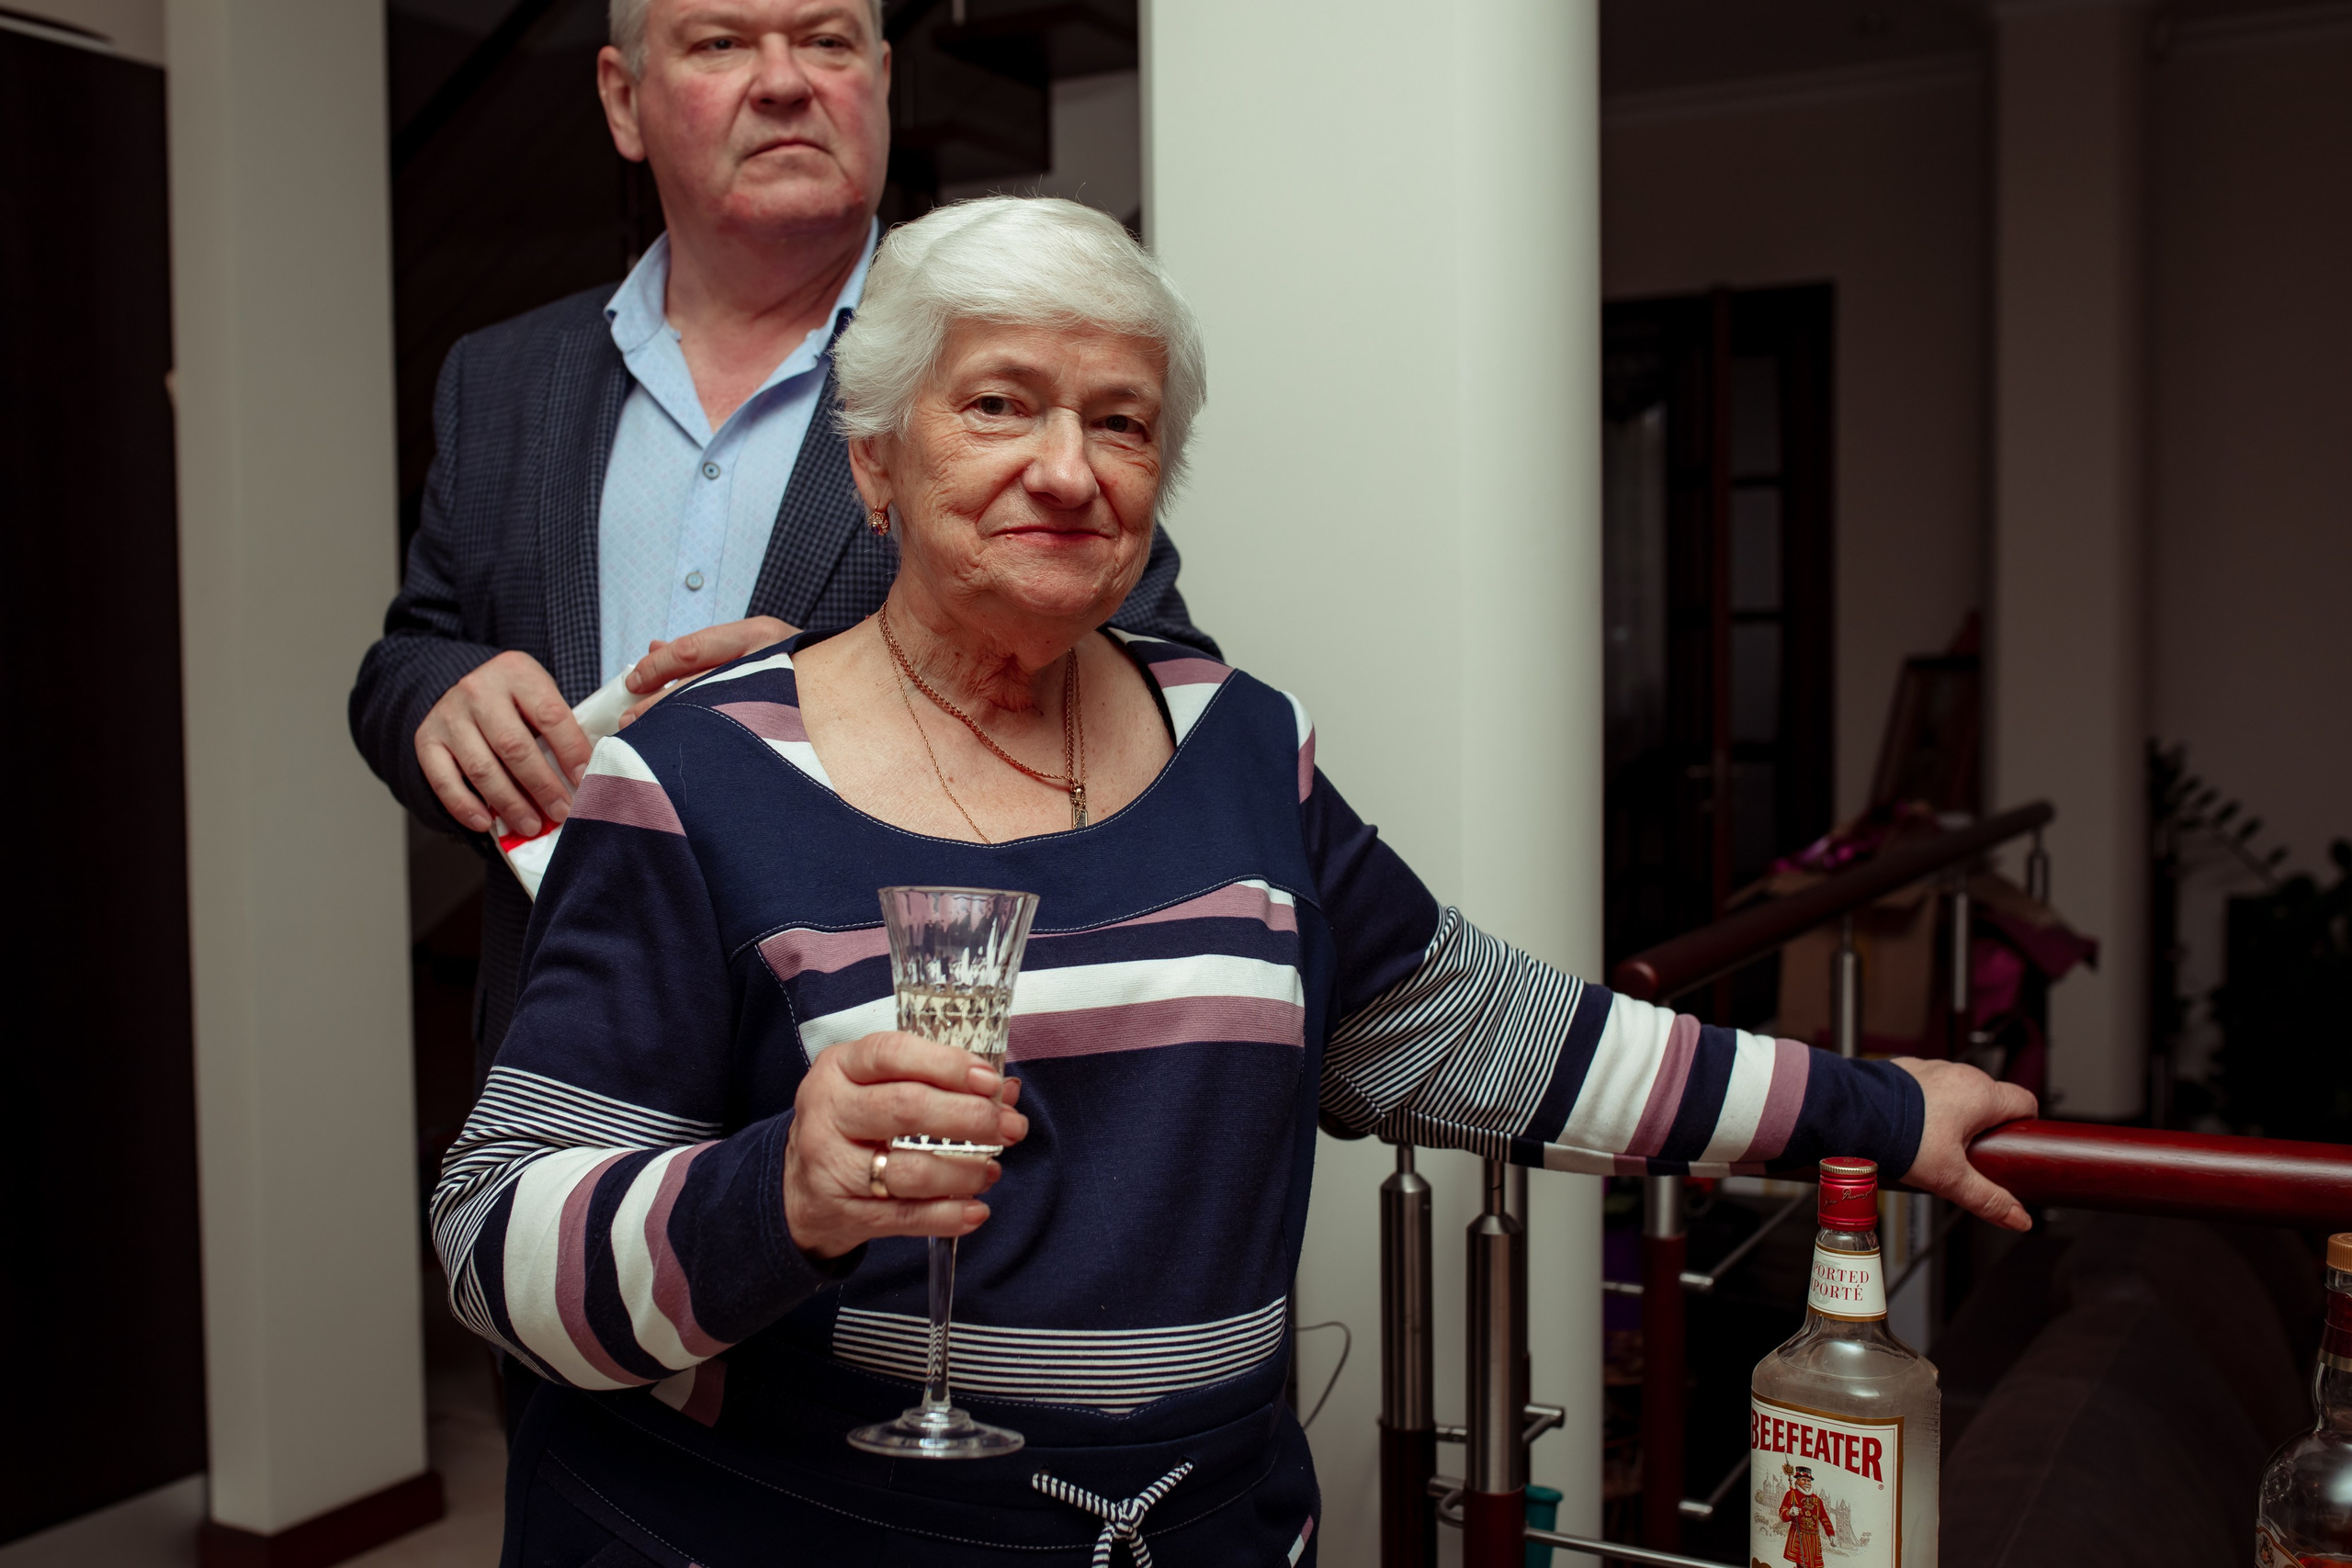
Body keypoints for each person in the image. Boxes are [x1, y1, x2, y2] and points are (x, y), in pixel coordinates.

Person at [433, 197, 2035, 1567]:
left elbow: (1475, 1028)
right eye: (999, 404)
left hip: (1209, 1529)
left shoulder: (1241, 740)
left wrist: (1877, 1107)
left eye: (1122, 422)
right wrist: (776, 1193)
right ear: (875, 464)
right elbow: (495, 1238)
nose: (1069, 468)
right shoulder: (692, 777)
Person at [347, 0, 1212, 1086]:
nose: (784, 82)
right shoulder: (502, 377)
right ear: (623, 99)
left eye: (825, 40)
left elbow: (1159, 685)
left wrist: (850, 686)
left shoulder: (999, 362)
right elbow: (411, 647)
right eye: (721, 43)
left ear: (882, 80)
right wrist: (437, 695)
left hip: (891, 1073)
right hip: (571, 1057)